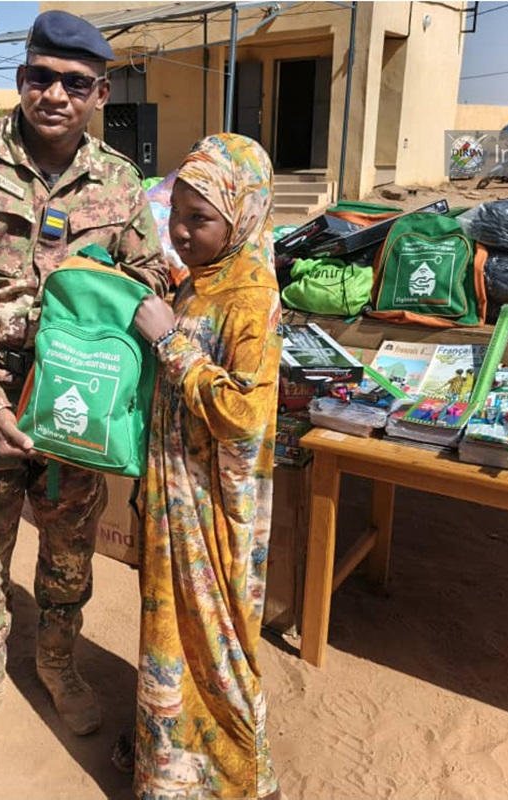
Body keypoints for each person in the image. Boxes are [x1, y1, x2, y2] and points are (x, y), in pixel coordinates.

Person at [0, 9, 169, 774]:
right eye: (40, 77)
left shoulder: (119, 181)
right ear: (22, 77)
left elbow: (148, 278)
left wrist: (117, 304)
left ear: (100, 93)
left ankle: (57, 664)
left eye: (74, 83)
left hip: (76, 403)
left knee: (69, 548)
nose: (54, 94)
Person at [130, 133, 283, 799]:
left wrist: (170, 340)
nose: (181, 232)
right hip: (174, 494)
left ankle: (234, 775)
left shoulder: (251, 296)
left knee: (215, 644)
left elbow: (243, 414)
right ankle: (169, 761)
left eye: (200, 219)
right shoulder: (203, 281)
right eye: (176, 215)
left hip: (214, 510)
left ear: (241, 216)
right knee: (172, 631)